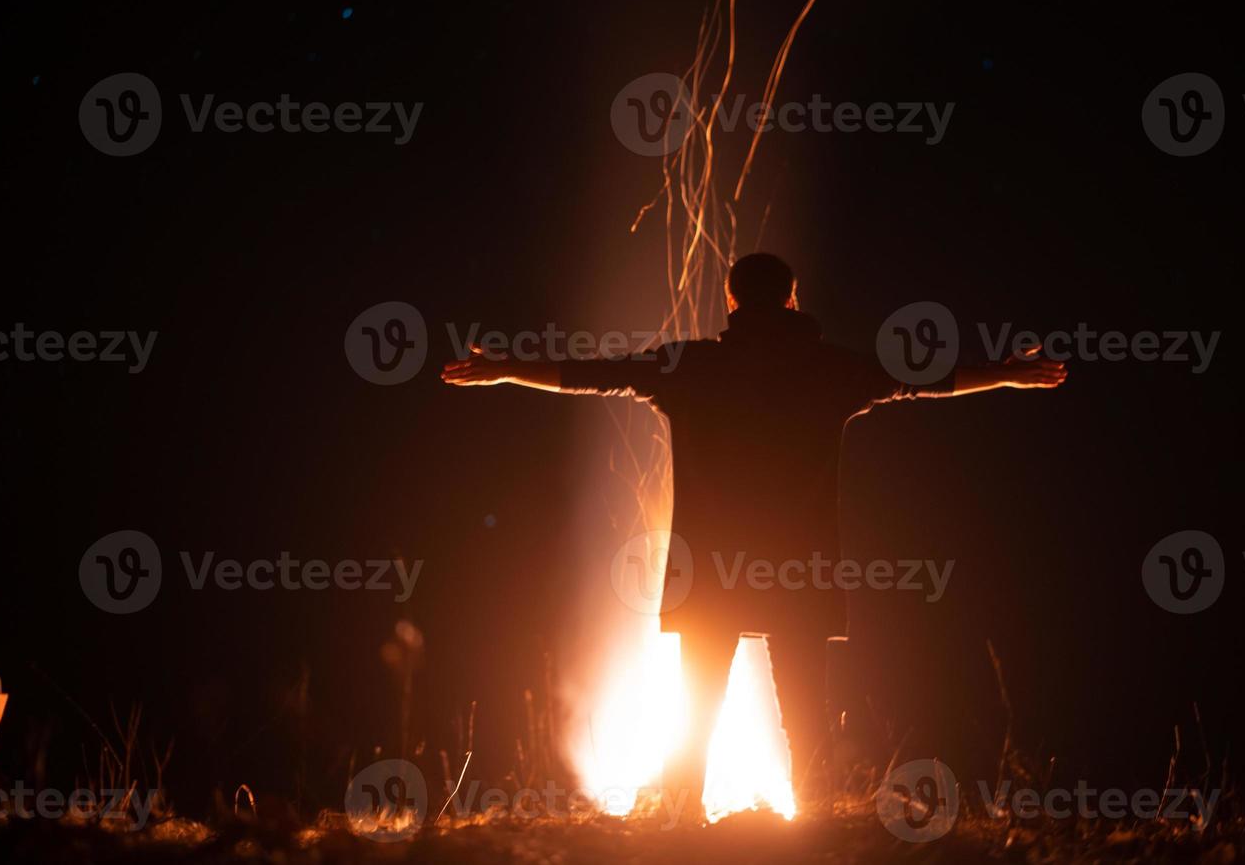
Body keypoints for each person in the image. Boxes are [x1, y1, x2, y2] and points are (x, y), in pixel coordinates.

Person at [440, 253, 1067, 821]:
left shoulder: (691, 366)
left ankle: (682, 822)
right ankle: (816, 827)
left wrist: (506, 370)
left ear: (731, 302)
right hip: (800, 572)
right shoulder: (833, 370)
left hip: (710, 572)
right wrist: (1005, 375)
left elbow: (593, 373)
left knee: (699, 708)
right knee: (804, 713)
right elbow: (926, 379)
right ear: (794, 299)